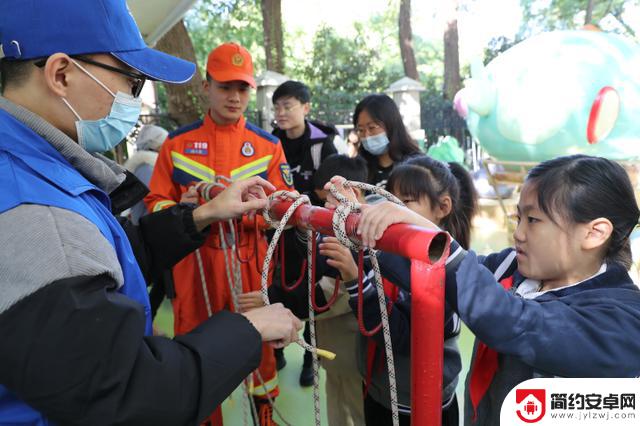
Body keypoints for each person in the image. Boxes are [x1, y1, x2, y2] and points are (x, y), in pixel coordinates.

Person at [0, 1, 301, 424]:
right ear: (61, 74)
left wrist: (204, 213)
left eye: (242, 88)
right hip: (195, 279)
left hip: (245, 267)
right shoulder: (36, 211)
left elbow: (106, 256)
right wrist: (246, 331)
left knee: (260, 383)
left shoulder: (39, 165)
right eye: (131, 81)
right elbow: (128, 394)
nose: (132, 99)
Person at [348, 154, 640, 425]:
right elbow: (434, 274)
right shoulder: (513, 267)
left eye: (533, 220)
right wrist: (366, 234)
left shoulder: (622, 320)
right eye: (518, 219)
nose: (518, 233)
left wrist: (435, 240)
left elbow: (517, 322)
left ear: (594, 233)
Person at [145, 42, 292, 425]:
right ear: (207, 87)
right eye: (225, 86)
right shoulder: (176, 147)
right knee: (197, 356)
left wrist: (265, 210)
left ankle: (267, 418)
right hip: (194, 271)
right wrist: (190, 209)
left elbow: (286, 212)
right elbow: (155, 206)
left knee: (259, 356)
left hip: (249, 267)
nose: (234, 97)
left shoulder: (269, 146)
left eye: (242, 88)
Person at [321, 155, 475, 425]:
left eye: (406, 201)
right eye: (390, 199)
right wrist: (358, 213)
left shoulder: (450, 273)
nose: (392, 209)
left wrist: (354, 279)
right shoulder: (392, 248)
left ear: (443, 207)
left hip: (418, 403)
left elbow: (401, 338)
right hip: (379, 389)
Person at [270, 80, 338, 385]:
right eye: (277, 107)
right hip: (274, 230)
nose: (281, 113)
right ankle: (276, 350)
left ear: (305, 107)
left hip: (311, 230)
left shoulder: (323, 143)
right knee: (274, 290)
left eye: (288, 106)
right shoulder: (269, 142)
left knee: (310, 291)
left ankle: (310, 358)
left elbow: (331, 188)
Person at [353, 94, 421, 188]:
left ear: (391, 125)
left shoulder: (417, 166)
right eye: (361, 130)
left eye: (372, 127)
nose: (366, 136)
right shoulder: (357, 168)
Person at [124, 124, 169, 225]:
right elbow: (154, 199)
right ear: (157, 145)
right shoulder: (147, 167)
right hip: (148, 227)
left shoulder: (147, 165)